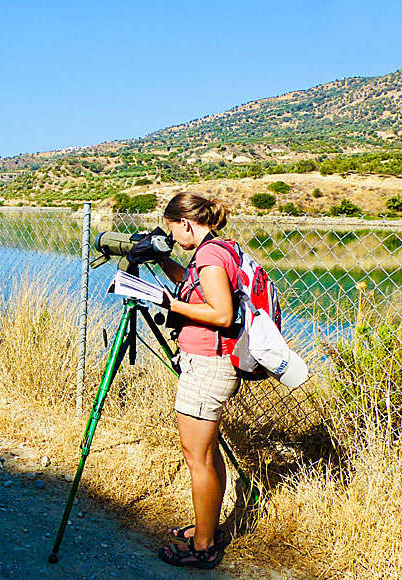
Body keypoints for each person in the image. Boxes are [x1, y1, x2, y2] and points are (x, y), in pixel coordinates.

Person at [155, 192, 241, 570]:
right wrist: (161, 260)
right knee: (207, 454)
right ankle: (209, 527)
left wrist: (168, 303)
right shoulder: (219, 249)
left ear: (185, 223)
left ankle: (203, 546)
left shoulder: (208, 256)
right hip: (212, 362)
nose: (173, 237)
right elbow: (192, 284)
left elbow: (221, 314)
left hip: (208, 364)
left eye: (172, 231)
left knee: (196, 457)